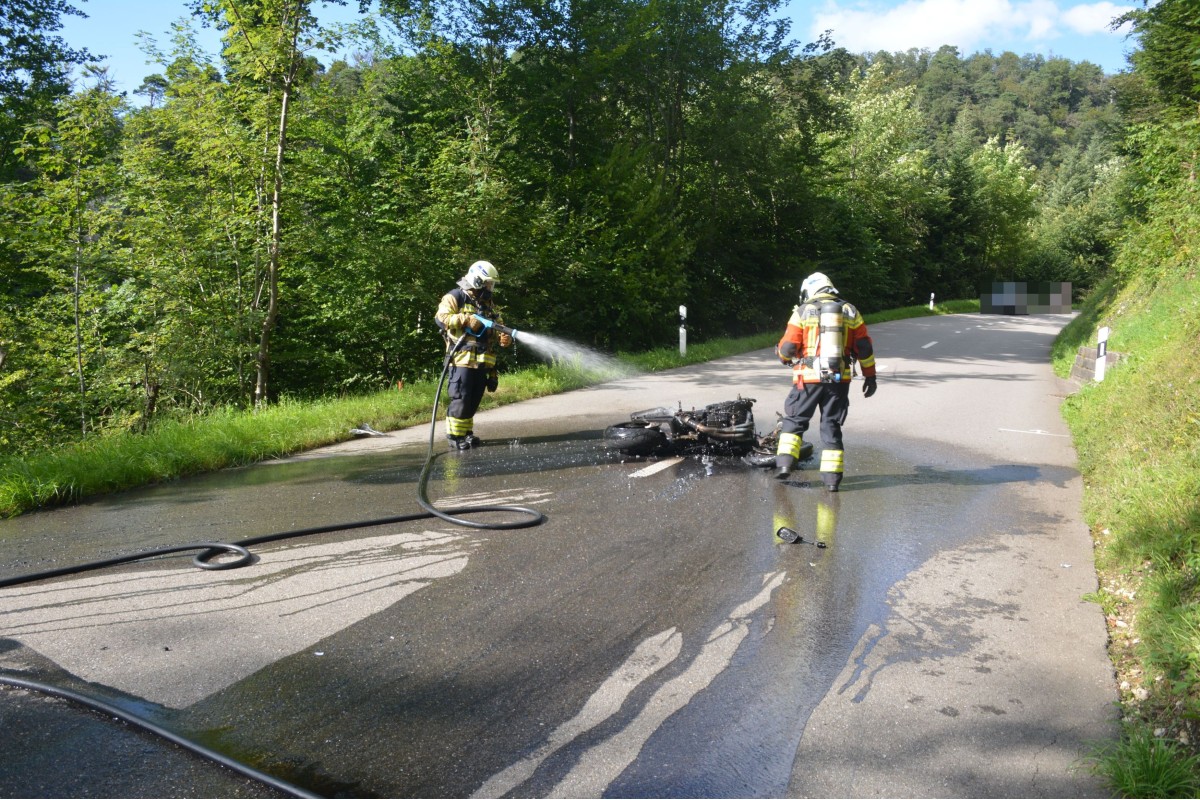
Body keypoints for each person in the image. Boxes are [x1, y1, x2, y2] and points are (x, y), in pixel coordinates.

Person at [773, 272, 877, 490]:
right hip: (838, 379)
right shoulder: (850, 311)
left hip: (807, 378)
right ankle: (832, 482)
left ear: (809, 290)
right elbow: (864, 347)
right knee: (831, 425)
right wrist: (870, 375)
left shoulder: (802, 311)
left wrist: (782, 356)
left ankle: (784, 466)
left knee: (795, 420)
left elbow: (788, 348)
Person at [435, 260, 513, 450]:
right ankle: (455, 437)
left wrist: (504, 337)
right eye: (488, 283)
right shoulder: (455, 296)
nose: (490, 288)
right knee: (461, 399)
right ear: (477, 280)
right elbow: (441, 318)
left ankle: (466, 433)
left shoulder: (488, 304)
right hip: (461, 360)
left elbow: (498, 326)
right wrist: (466, 320)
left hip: (483, 362)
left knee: (473, 400)